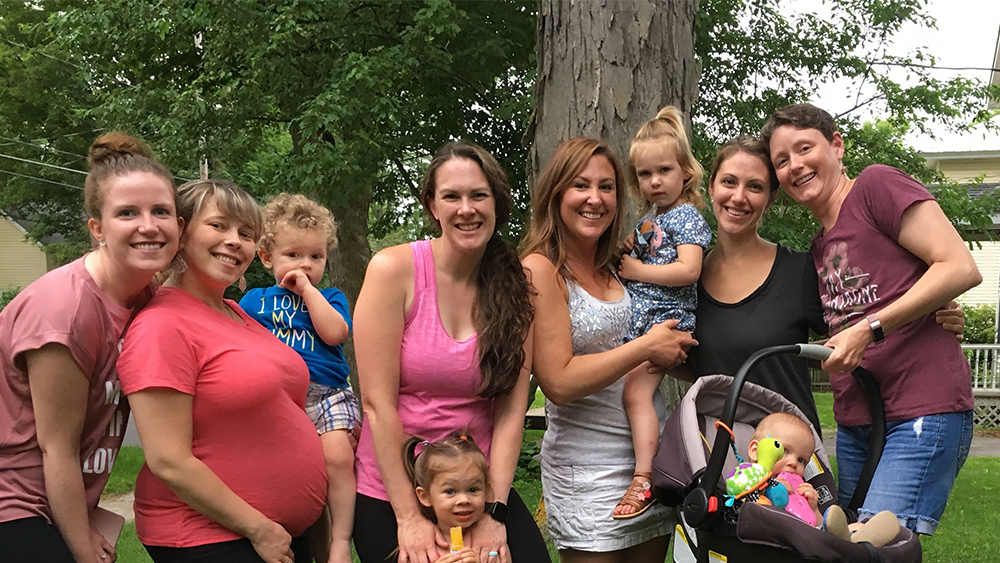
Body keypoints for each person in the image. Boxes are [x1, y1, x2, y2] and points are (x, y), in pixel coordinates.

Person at [762, 103, 981, 535]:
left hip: (922, 408)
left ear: (837, 145)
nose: (795, 165)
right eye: (781, 161)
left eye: (805, 148)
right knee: (840, 542)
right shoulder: (819, 246)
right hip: (857, 421)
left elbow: (958, 266)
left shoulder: (875, 186)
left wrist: (871, 327)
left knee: (873, 546)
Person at [352, 141, 548, 563]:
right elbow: (376, 405)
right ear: (432, 206)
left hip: (477, 489)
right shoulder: (393, 271)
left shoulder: (517, 286)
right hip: (394, 490)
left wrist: (493, 510)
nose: (466, 209)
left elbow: (512, 412)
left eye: (479, 195)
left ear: (497, 203)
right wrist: (409, 517)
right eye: (451, 196)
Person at [692, 137, 966, 437]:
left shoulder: (799, 271)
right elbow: (687, 357)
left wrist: (936, 311)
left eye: (755, 186)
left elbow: (858, 321)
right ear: (712, 187)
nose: (739, 196)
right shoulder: (687, 280)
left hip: (791, 457)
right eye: (729, 182)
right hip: (714, 450)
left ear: (770, 200)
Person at [117, 179, 327, 563]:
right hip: (211, 537)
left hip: (276, 536)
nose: (235, 241)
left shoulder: (238, 312)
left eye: (246, 233)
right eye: (219, 225)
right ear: (180, 232)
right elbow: (168, 459)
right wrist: (259, 529)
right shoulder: (163, 325)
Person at [0, 132, 181, 563]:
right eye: (127, 213)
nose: (149, 225)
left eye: (162, 211)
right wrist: (81, 546)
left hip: (58, 500)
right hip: (15, 503)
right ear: (97, 229)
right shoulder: (64, 310)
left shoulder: (145, 296)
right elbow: (56, 447)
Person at [520, 137, 697, 563]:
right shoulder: (541, 269)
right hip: (586, 469)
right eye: (581, 186)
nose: (595, 199)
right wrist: (645, 346)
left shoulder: (618, 267)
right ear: (556, 193)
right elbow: (558, 382)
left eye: (606, 187)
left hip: (648, 464)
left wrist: (668, 351)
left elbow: (647, 349)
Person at [239, 193, 357, 563]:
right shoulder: (255, 302)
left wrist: (307, 290)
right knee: (285, 472)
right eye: (293, 255)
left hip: (328, 394)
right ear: (266, 257)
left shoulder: (331, 297)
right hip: (279, 401)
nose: (305, 264)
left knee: (338, 458)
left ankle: (340, 540)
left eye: (315, 256)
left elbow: (335, 333)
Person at [615, 106, 712, 519]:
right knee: (636, 394)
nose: (654, 181)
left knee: (635, 393)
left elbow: (690, 270)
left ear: (685, 172)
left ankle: (643, 479)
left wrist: (638, 269)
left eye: (664, 171)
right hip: (644, 323)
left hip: (667, 323)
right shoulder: (653, 218)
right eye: (644, 174)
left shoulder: (687, 216)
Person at [746, 413, 899, 548]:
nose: (793, 463)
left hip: (810, 537)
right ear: (755, 451)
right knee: (836, 536)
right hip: (777, 540)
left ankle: (857, 539)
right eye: (785, 451)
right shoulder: (750, 480)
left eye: (801, 460)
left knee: (857, 525)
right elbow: (744, 506)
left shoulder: (800, 489)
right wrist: (768, 489)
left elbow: (814, 523)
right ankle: (849, 544)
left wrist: (813, 508)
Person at [402, 432, 491, 563]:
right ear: (425, 496)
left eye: (473, 489)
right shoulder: (420, 549)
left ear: (486, 491)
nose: (464, 500)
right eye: (450, 491)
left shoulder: (489, 545)